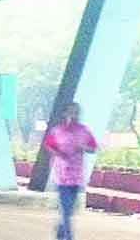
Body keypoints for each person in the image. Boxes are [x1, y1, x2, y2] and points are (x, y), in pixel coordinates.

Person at [44, 102, 97, 240]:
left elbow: (93, 148)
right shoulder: (57, 131)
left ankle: (61, 230)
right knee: (66, 208)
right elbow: (48, 146)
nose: (73, 116)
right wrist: (59, 153)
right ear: (65, 114)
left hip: (77, 176)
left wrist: (83, 147)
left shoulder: (84, 131)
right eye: (70, 112)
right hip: (61, 176)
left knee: (69, 210)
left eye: (76, 113)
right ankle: (69, 236)